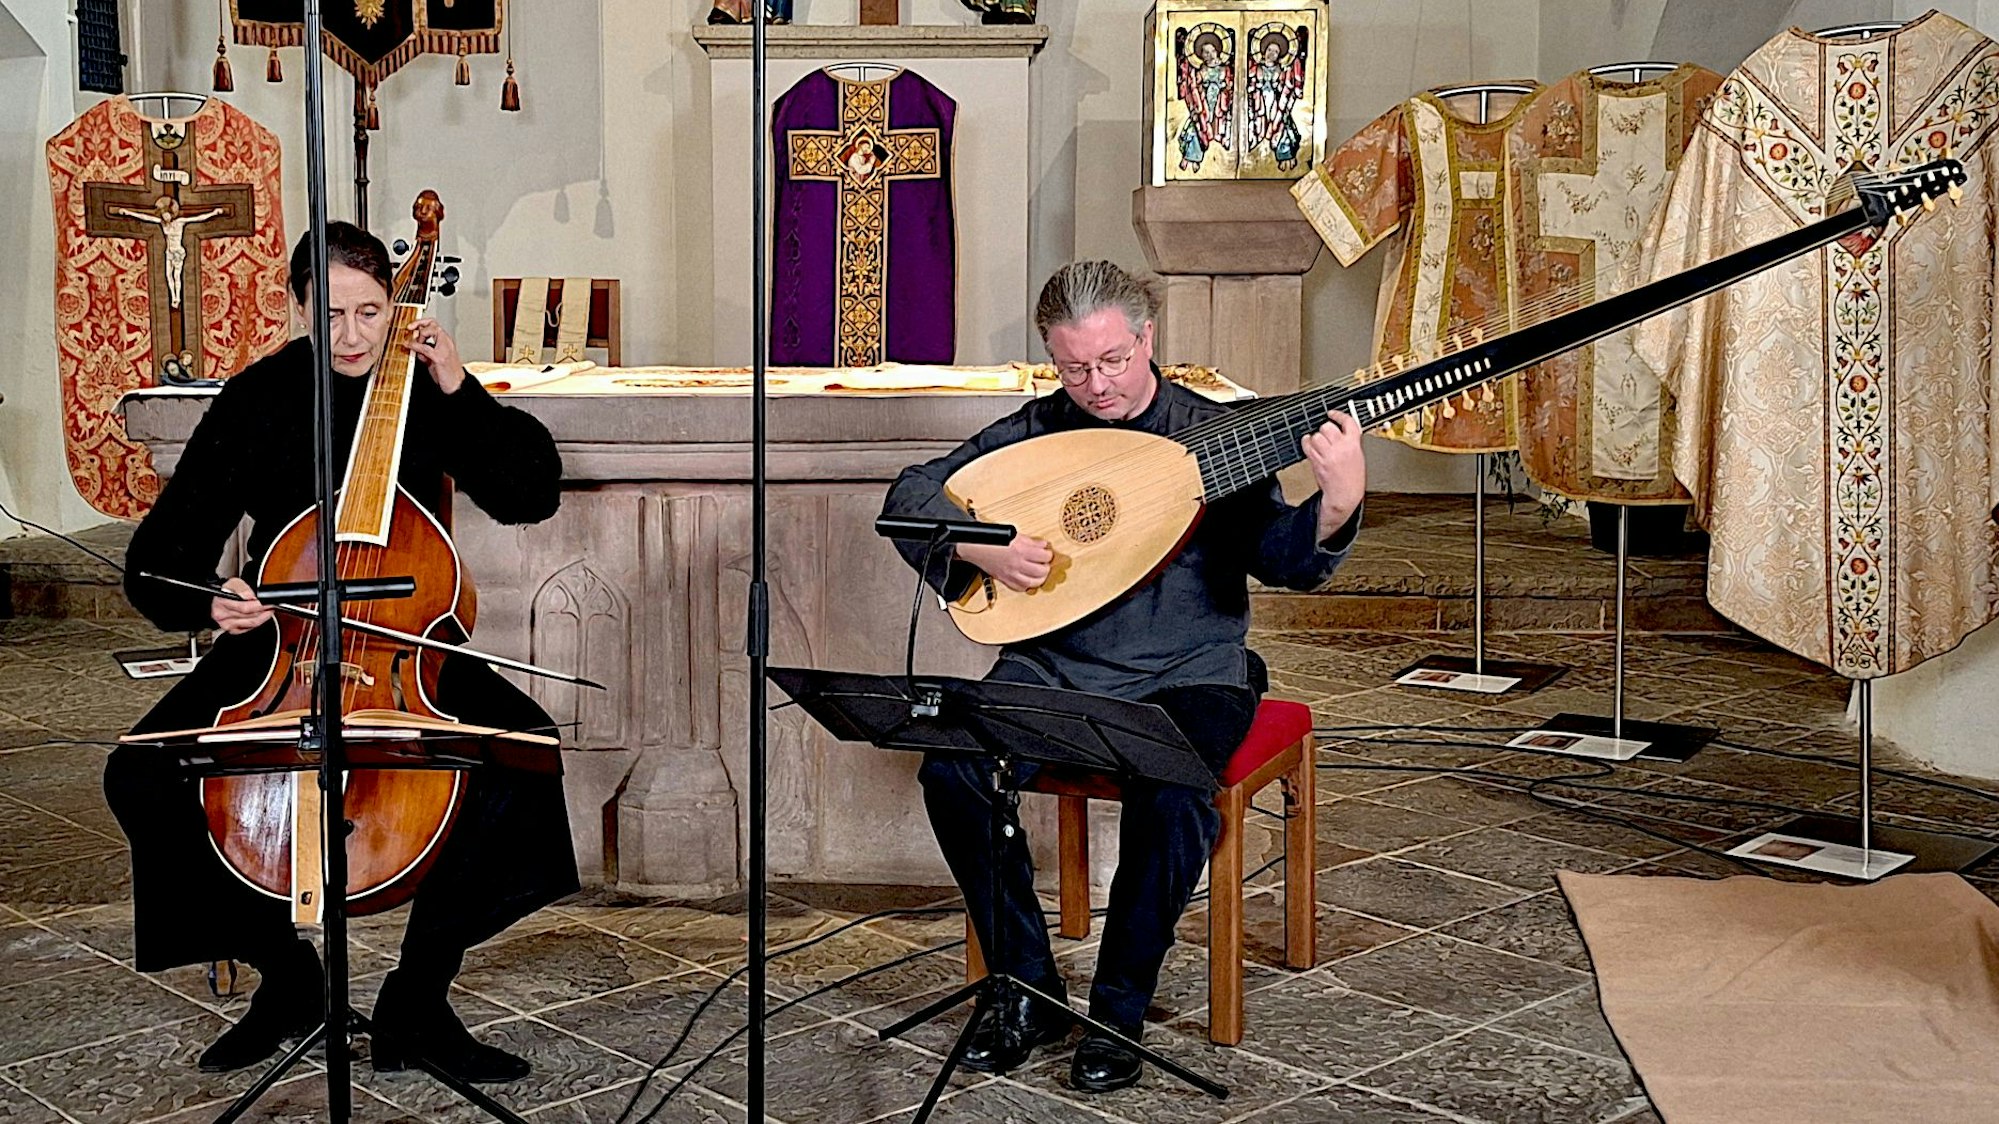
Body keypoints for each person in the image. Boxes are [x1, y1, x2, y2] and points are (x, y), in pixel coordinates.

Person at [107, 222, 580, 1083]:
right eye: (333, 315)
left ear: (398, 306)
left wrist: (458, 385)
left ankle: (419, 998)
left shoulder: (428, 391)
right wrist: (211, 599)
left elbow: (529, 493)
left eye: (372, 311)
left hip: (406, 649)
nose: (356, 335)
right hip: (280, 646)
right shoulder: (259, 398)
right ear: (295, 309)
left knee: (525, 759)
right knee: (139, 775)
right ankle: (287, 977)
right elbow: (158, 558)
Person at [880, 260, 1365, 1092]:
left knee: (1172, 793)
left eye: (1112, 360)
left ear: (1147, 340)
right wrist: (976, 543)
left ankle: (1118, 1009)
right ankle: (1027, 990)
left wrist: (1334, 502)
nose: (1096, 385)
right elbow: (911, 493)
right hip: (1057, 663)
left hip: (1192, 668)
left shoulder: (1216, 437)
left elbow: (1281, 559)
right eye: (1074, 366)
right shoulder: (1042, 430)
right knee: (953, 770)